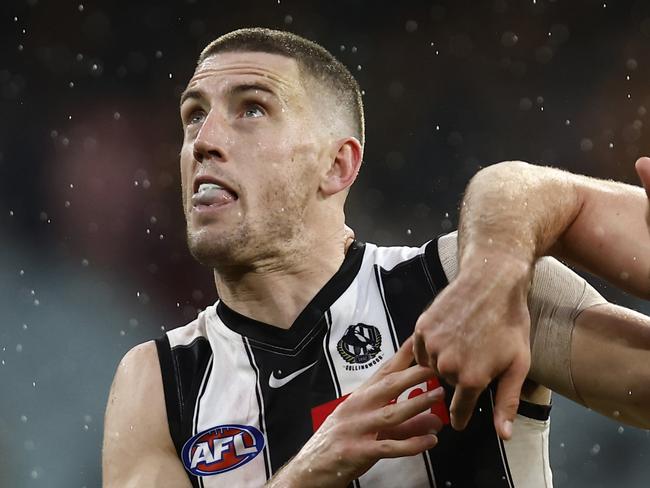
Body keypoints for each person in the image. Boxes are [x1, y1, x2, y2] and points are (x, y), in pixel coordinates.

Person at [102, 28, 650, 488]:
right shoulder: (157, 381)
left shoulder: (463, 283)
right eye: (193, 116)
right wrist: (312, 470)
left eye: (251, 109)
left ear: (338, 166)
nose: (204, 140)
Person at [413, 158, 650, 441]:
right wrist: (496, 276)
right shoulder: (464, 272)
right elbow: (520, 187)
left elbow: (521, 187)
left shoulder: (448, 270)